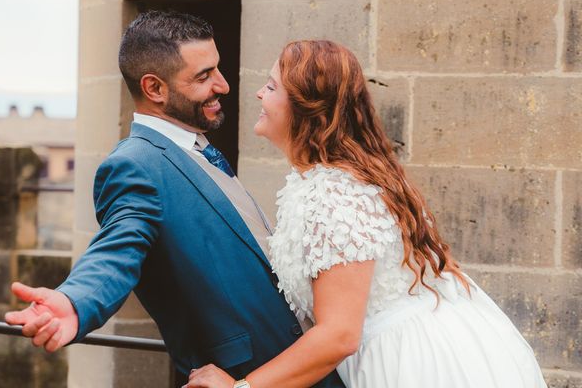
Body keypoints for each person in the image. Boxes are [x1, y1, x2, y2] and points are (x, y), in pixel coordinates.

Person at [4, 12, 345, 388]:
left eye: (217, 69)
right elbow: (117, 251)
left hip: (304, 367)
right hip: (244, 374)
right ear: (155, 89)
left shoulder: (194, 148)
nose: (224, 85)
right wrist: (74, 302)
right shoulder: (135, 165)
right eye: (203, 76)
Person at [185, 40, 548, 388]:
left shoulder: (335, 194)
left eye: (271, 86)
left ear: (306, 107)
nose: (259, 94)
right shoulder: (329, 179)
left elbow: (339, 334)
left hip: (410, 364)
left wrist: (242, 387)